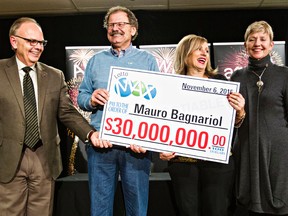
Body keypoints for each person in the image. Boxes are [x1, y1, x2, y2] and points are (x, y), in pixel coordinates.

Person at [0, 17, 108, 216]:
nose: (37, 47)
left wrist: (91, 134)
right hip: (7, 160)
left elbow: (66, 112)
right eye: (31, 41)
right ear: (14, 42)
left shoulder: (54, 75)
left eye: (41, 42)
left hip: (45, 158)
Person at [77, 6, 159, 216]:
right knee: (100, 209)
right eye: (111, 24)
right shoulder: (96, 61)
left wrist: (147, 138)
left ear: (133, 30)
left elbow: (158, 102)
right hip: (102, 145)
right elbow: (82, 97)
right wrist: (92, 99)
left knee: (137, 209)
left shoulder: (148, 60)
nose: (115, 28)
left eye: (121, 24)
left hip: (136, 146)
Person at [159, 34, 246, 216]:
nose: (204, 53)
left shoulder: (221, 83)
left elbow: (233, 123)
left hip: (217, 164)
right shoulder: (170, 85)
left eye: (206, 50)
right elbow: (161, 121)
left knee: (217, 211)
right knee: (188, 212)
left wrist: (240, 113)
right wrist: (161, 147)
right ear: (185, 53)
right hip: (183, 164)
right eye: (199, 48)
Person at [231, 21, 288, 215]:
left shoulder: (284, 75)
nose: (257, 43)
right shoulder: (237, 77)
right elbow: (232, 122)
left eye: (263, 39)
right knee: (250, 204)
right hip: (246, 148)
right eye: (252, 39)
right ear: (245, 44)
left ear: (271, 44)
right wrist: (238, 115)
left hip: (279, 153)